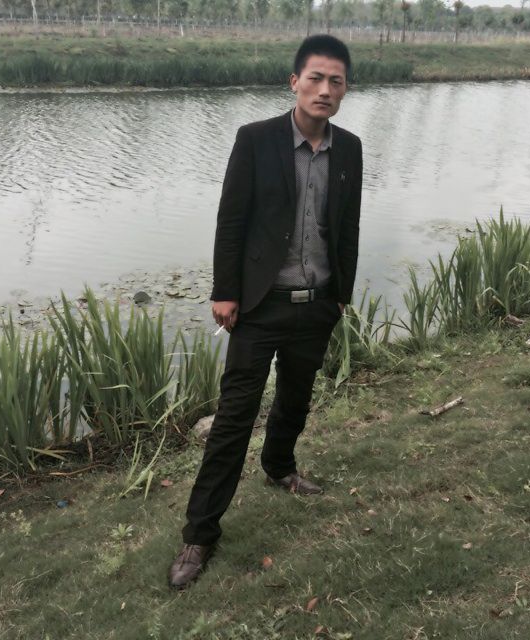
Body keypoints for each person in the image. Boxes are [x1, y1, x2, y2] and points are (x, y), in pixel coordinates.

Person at [168, 34, 363, 589]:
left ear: (344, 90)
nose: (325, 90)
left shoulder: (349, 148)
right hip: (259, 306)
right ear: (295, 82)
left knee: (296, 399)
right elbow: (231, 221)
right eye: (315, 78)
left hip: (317, 303)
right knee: (234, 418)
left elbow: (347, 225)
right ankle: (200, 533)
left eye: (336, 81)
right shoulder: (255, 139)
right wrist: (224, 292)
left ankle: (279, 468)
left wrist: (342, 294)